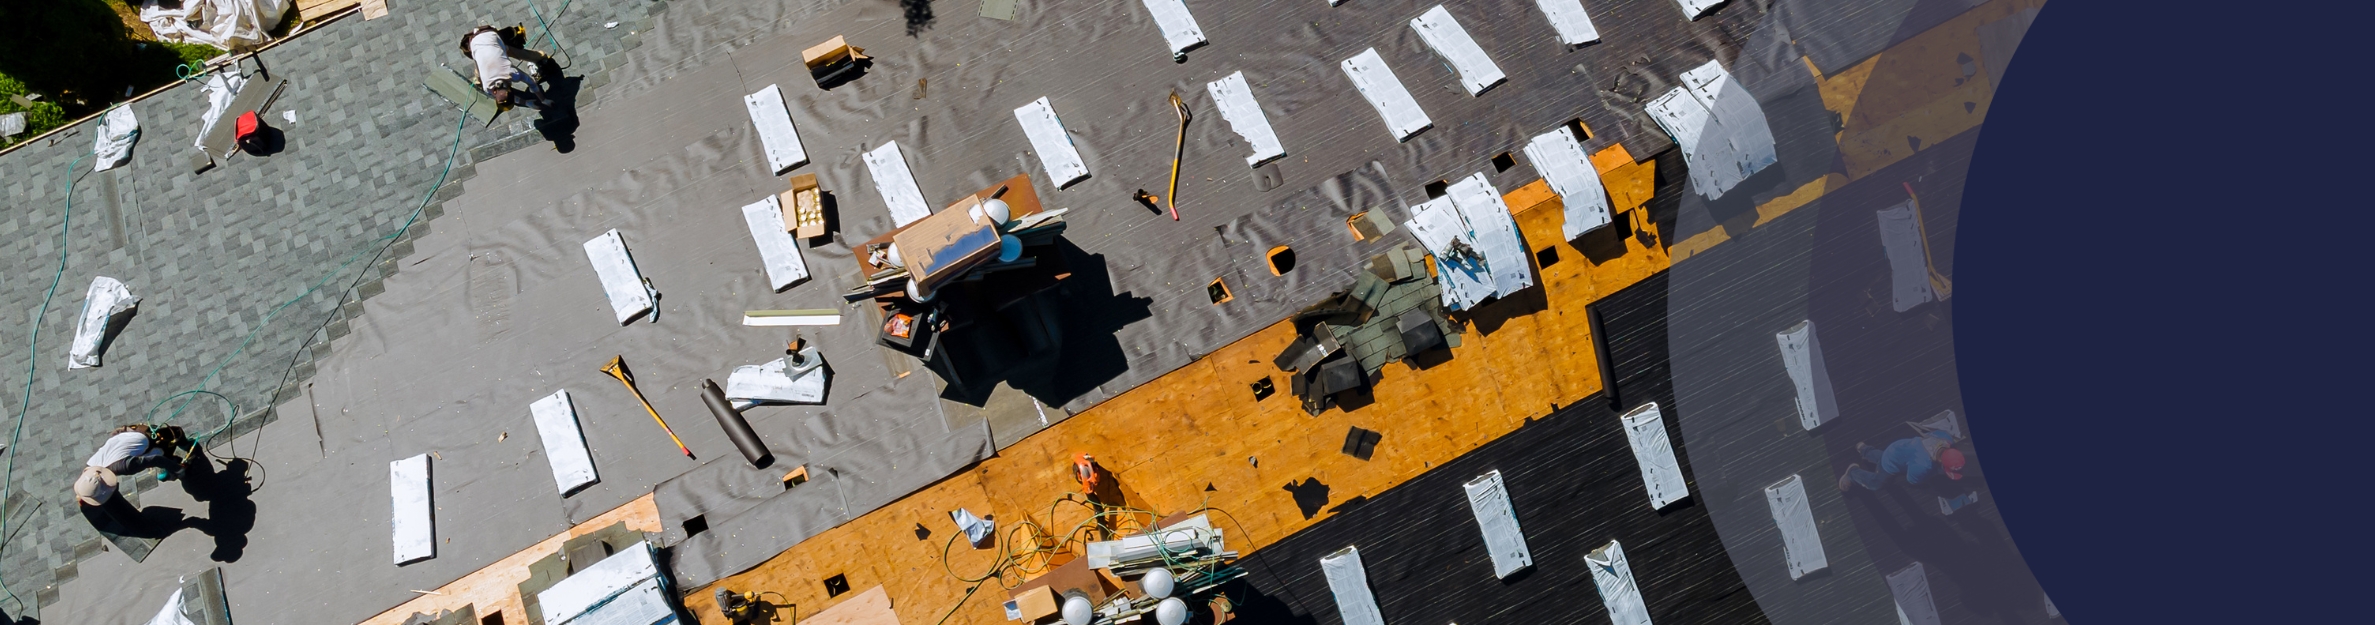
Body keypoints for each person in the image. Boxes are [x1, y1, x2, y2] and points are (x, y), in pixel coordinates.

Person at [457, 25, 553, 109]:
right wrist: (533, 101)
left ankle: (541, 57)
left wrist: (541, 100)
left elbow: (531, 83)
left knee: (520, 54)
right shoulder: (488, 87)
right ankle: (537, 57)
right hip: (477, 41)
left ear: (495, 92)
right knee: (479, 78)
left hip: (484, 38)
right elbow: (529, 84)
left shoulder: (512, 73)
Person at [1839, 431, 1965, 492]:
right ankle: (1852, 473)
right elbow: (1912, 480)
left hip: (1898, 447)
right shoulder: (1923, 465)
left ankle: (1864, 450)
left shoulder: (1945, 438)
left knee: (1884, 457)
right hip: (1891, 463)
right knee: (1876, 484)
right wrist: (1934, 472)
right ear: (1940, 461)